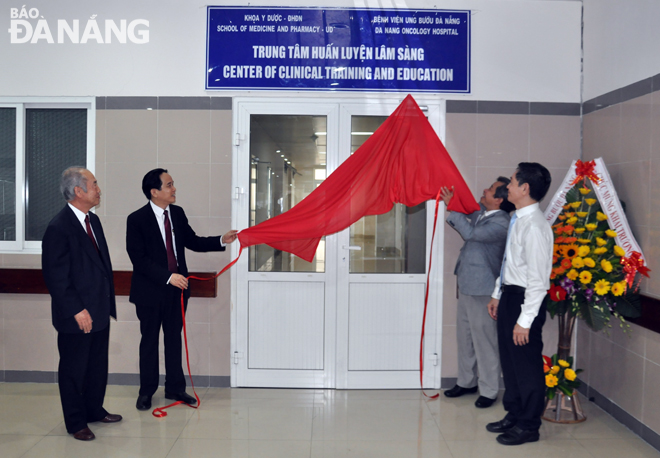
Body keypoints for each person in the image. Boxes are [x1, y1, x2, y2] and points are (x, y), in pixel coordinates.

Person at [126, 168, 238, 411]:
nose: (174, 188)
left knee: (173, 339)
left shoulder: (177, 214)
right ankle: (146, 392)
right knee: (149, 342)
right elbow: (139, 259)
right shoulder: (136, 220)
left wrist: (221, 240)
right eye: (169, 185)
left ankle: (175, 388)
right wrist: (168, 277)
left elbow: (192, 240)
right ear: (154, 192)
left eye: (173, 184)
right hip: (149, 292)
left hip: (177, 291)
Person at [42, 167, 122, 441]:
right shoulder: (59, 227)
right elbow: (56, 277)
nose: (98, 189)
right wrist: (77, 310)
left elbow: (100, 267)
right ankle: (76, 422)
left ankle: (93, 410)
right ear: (78, 191)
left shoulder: (92, 221)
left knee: (97, 366)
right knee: (74, 369)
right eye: (94, 184)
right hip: (77, 314)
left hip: (98, 308)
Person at [485, 162, 553, 446]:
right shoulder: (517, 218)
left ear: (525, 188)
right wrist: (497, 293)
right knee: (510, 362)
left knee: (526, 365)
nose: (507, 186)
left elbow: (538, 281)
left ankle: (529, 425)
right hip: (511, 295)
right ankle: (514, 413)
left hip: (527, 299)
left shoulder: (536, 227)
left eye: (512, 182)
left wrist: (524, 321)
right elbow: (509, 264)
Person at [441, 178, 514, 408]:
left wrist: (452, 207)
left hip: (483, 290)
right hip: (466, 286)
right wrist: (454, 200)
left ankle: (489, 390)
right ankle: (466, 382)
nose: (484, 189)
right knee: (465, 338)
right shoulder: (483, 212)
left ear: (499, 199)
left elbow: (471, 234)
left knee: (485, 342)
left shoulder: (502, 222)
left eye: (490, 189)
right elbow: (468, 211)